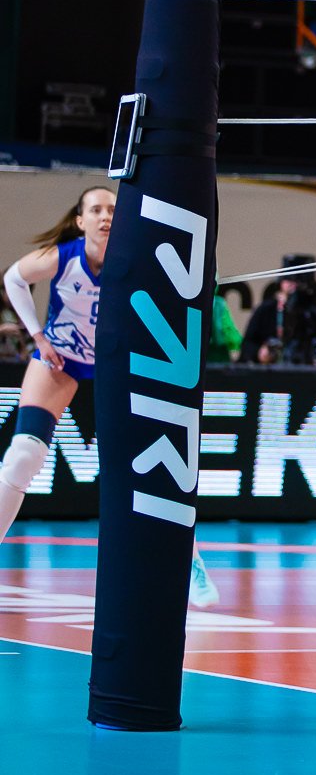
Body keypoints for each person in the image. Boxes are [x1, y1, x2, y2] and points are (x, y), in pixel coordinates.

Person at [3, 188, 218, 607]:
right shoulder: (63, 257)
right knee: (24, 454)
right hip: (62, 359)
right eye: (96, 210)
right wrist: (37, 336)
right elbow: (14, 277)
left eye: (112, 210)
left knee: (157, 468)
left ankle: (190, 565)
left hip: (118, 365)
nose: (105, 216)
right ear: (80, 221)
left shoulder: (139, 258)